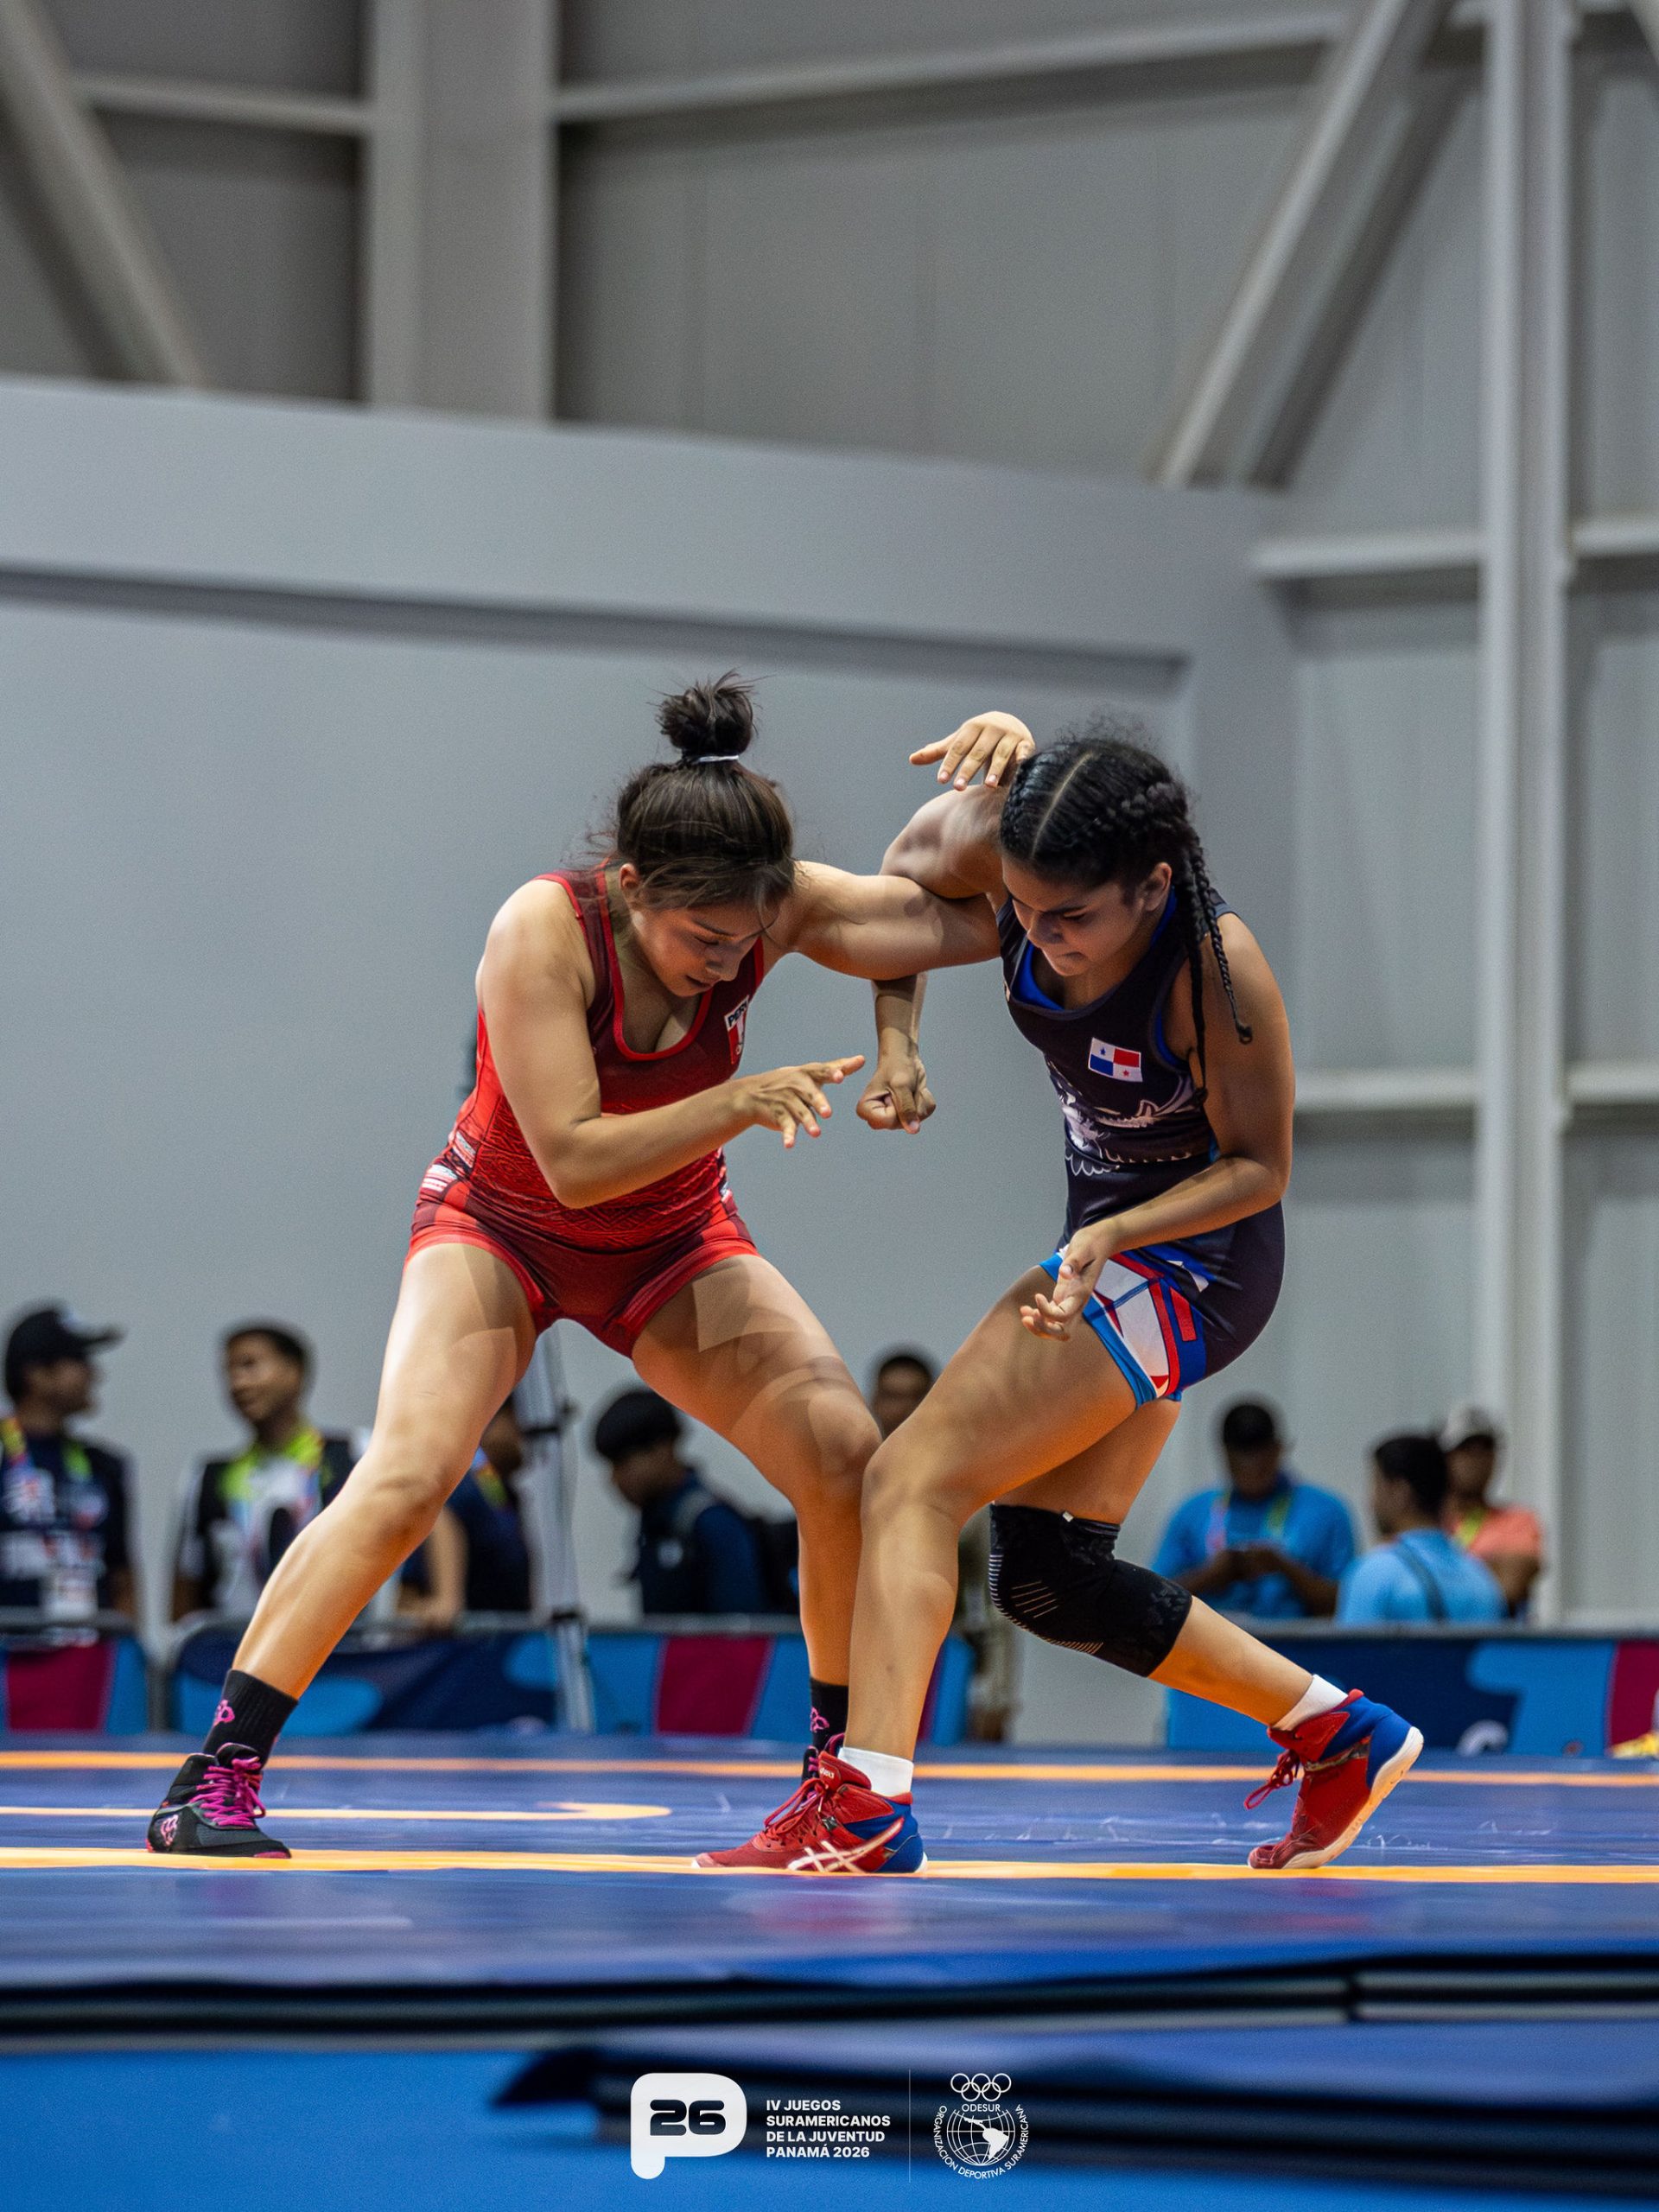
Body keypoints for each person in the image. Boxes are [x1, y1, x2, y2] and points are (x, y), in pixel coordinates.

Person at [147, 673, 1000, 1857]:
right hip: (504, 1224)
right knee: (406, 1478)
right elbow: (575, 1160)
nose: (725, 964)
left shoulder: (769, 906)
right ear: (632, 887)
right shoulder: (542, 929)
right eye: (703, 941)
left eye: (747, 942)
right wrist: (740, 1099)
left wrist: (1008, 788)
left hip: (669, 1237)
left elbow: (956, 911)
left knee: (845, 1461)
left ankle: (833, 1785)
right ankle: (215, 1777)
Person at [702, 712, 1421, 1876]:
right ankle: (1337, 1731)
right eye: (1024, 914)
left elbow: (1260, 1169)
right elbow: (900, 898)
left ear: (1148, 887)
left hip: (1198, 1255)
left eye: (1070, 920)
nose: (1041, 937)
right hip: (1110, 1243)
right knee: (1045, 1576)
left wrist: (1116, 1237)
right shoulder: (1007, 840)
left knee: (911, 1480)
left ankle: (865, 1804)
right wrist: (899, 1041)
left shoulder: (1215, 970)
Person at [870, 1347, 1016, 1742]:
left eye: (913, 1396)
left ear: (931, 1402)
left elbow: (995, 1605)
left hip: (938, 1675)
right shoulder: (851, 1481)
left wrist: (996, 1696)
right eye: (891, 1396)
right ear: (873, 1402)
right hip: (861, 1667)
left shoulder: (965, 1488)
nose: (901, 1408)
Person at [172, 1324, 358, 1619]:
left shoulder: (354, 1456)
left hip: (340, 1655)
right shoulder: (209, 1476)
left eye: (250, 1366)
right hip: (237, 1656)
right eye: (230, 1372)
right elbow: (187, 1584)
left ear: (294, 1373)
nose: (238, 1383)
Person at [1153, 1399, 1356, 1620]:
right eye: (1241, 1458)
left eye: (1260, 1458)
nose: (1250, 1468)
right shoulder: (1192, 1514)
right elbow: (1154, 1601)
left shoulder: (1326, 1512)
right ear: (1225, 1453)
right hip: (1209, 1647)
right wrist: (1210, 1576)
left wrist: (1286, 1568)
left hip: (1295, 1649)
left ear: (1278, 1449)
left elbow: (1346, 1606)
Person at [1, 1306, 136, 1623]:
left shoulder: (105, 1466)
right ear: (37, 1374)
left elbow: (122, 1580)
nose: (95, 1374)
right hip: (10, 1663)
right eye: (80, 1360)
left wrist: (131, 1658)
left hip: (90, 1662)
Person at [590, 1386, 768, 1616]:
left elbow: (740, 1629)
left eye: (624, 1463)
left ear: (662, 1448)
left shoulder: (711, 1522)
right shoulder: (656, 1524)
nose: (616, 1480)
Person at [1338, 1433, 1505, 1624]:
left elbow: (1350, 1654)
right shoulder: (1482, 1581)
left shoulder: (1373, 1575)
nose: (1371, 1502)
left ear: (1400, 1493)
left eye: (1377, 1486)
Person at [398, 1396, 533, 1626]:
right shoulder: (464, 1477)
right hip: (464, 1645)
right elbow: (442, 1516)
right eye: (513, 1419)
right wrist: (448, 1600)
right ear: (488, 1420)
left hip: (504, 1638)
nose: (522, 1433)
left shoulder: (497, 1488)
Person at [1440, 1403, 1543, 1617]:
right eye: (1465, 1449)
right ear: (1442, 1458)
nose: (1478, 1460)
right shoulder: (1427, 1523)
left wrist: (1437, 1576)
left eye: (1487, 1448)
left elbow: (1509, 1589)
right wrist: (1490, 1566)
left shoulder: (1518, 1520)